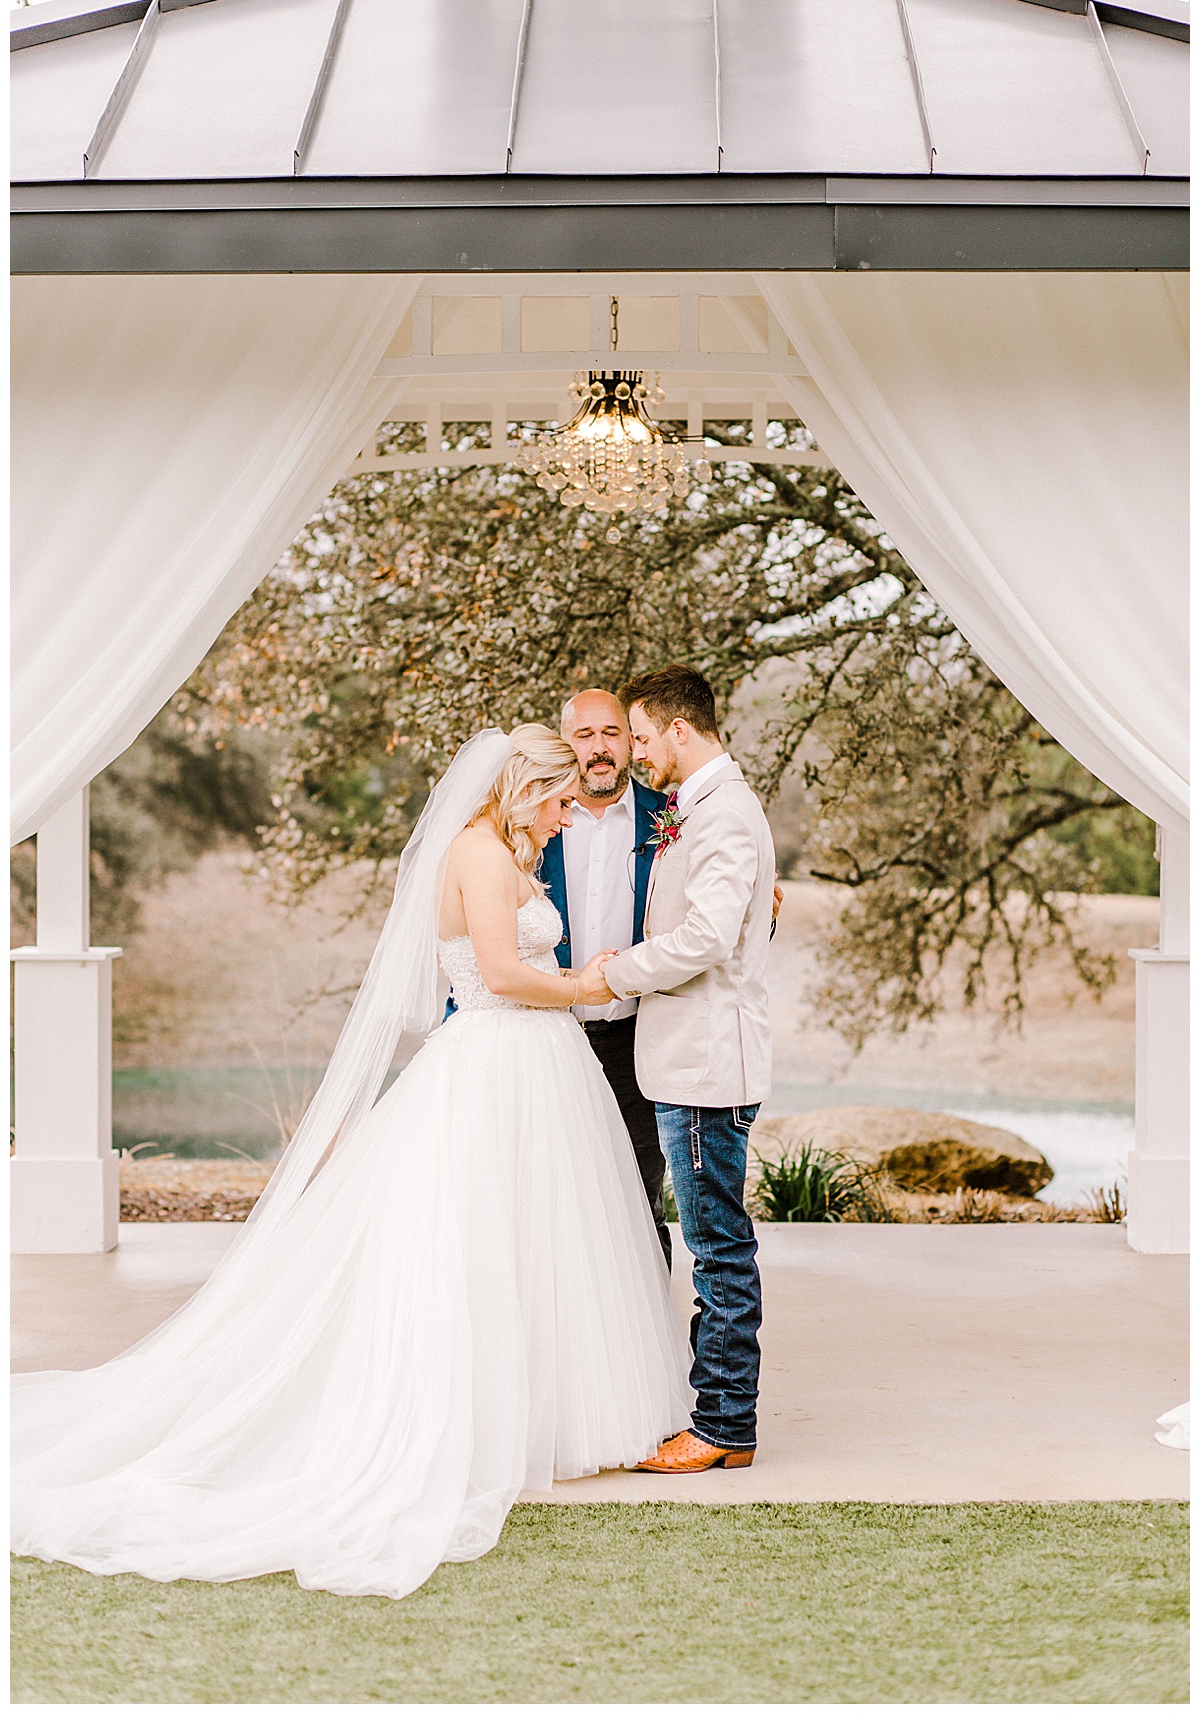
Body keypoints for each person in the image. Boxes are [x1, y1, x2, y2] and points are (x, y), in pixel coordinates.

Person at [12, 726, 690, 1600]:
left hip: (538, 1067)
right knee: (475, 1241)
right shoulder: (479, 854)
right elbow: (501, 974)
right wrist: (590, 985)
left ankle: (538, 1413)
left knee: (539, 1241)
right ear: (530, 787)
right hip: (494, 1061)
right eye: (561, 803)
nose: (566, 820)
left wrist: (574, 983)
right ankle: (465, 1419)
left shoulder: (508, 850)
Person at [602, 667, 776, 1475]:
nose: (636, 754)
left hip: (705, 1067)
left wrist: (617, 971)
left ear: (678, 728)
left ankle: (722, 1427)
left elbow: (706, 938)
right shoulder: (699, 810)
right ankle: (719, 1419)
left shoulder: (727, 815)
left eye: (639, 737)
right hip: (685, 1060)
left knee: (717, 1250)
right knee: (714, 1242)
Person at [542, 688, 672, 1264]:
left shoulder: (670, 818)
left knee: (639, 1197)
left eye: (611, 734)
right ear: (564, 743)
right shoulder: (532, 819)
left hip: (636, 1040)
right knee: (545, 1197)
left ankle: (650, 1349)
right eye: (584, 735)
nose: (599, 749)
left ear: (631, 742)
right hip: (547, 1036)